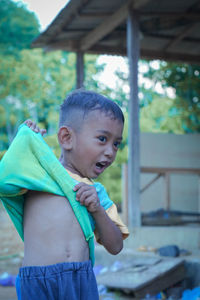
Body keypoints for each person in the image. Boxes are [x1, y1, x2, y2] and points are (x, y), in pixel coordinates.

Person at [0, 89, 129, 300]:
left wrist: (97, 210)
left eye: (116, 143)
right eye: (102, 139)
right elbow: (4, 181)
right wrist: (23, 142)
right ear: (67, 138)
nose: (110, 151)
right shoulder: (38, 176)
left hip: (80, 281)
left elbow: (116, 246)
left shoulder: (96, 194)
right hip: (38, 282)